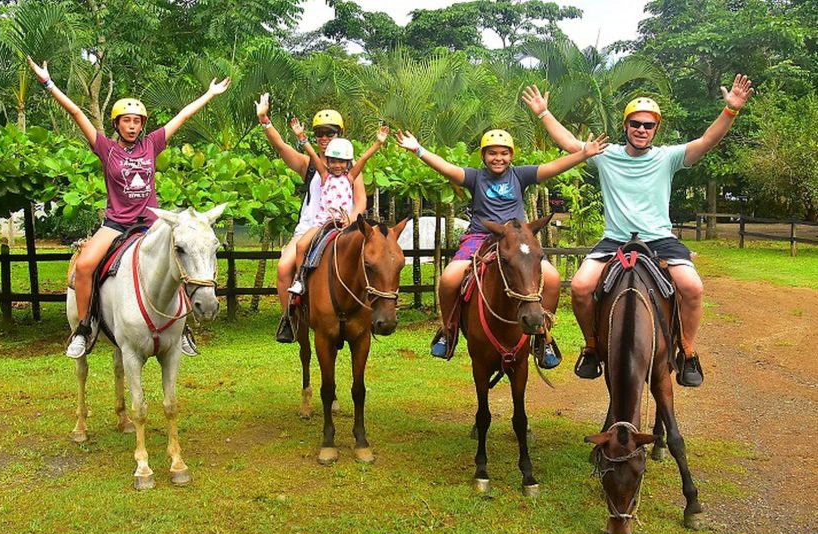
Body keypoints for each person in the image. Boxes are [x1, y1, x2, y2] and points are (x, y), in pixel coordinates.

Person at [522, 74, 754, 387]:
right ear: (626, 126)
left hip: (659, 240)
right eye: (635, 124)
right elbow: (567, 143)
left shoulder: (668, 157)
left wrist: (731, 111)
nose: (641, 130)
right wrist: (543, 113)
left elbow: (706, 141)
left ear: (656, 129)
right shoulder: (605, 154)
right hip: (615, 240)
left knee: (693, 287)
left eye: (648, 125)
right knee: (579, 287)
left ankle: (688, 350)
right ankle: (591, 346)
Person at [27, 57, 231, 359]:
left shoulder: (153, 143)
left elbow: (183, 116)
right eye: (127, 121)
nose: (132, 126)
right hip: (116, 224)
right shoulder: (105, 148)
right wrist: (47, 82)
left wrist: (210, 94)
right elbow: (74, 112)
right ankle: (84, 329)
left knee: (179, 264)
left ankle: (182, 329)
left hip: (152, 225)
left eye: (137, 121)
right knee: (84, 266)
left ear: (142, 124)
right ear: (117, 124)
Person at [395, 128, 609, 364]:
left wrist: (583, 154)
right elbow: (447, 168)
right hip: (480, 236)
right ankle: (449, 330)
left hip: (516, 240)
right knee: (449, 277)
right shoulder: (474, 177)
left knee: (553, 278)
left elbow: (553, 167)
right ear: (483, 156)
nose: (498, 158)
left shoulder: (520, 175)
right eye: (492, 153)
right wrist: (418, 150)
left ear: (512, 155)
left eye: (504, 153)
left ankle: (543, 335)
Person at [253, 93, 367, 342]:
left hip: (344, 227)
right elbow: (281, 146)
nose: (324, 139)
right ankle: (290, 320)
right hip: (310, 227)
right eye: (320, 134)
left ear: (340, 134)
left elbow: (360, 202)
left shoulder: (350, 167)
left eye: (330, 133)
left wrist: (351, 219)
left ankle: (370, 312)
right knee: (284, 267)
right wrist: (264, 120)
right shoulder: (310, 165)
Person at [285, 119, 389, 296]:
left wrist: (378, 142)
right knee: (302, 245)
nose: (337, 166)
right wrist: (300, 135)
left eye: (342, 162)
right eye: (333, 161)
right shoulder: (324, 175)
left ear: (348, 163)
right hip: (321, 224)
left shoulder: (350, 177)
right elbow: (310, 151)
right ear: (328, 161)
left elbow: (363, 158)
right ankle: (300, 280)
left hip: (343, 223)